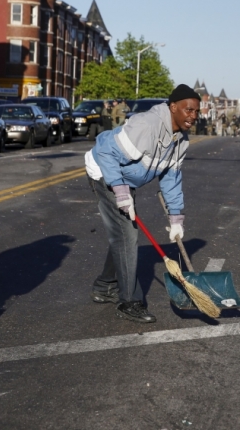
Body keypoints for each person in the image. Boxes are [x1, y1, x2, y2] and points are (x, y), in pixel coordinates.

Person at [85, 84, 199, 323]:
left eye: (196, 111)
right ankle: (129, 301)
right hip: (104, 172)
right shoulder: (147, 125)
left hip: (125, 179)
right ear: (173, 107)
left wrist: (176, 218)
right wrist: (121, 192)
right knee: (127, 236)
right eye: (188, 110)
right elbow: (106, 153)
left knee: (122, 234)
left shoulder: (181, 141)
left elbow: (171, 179)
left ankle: (105, 286)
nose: (193, 116)